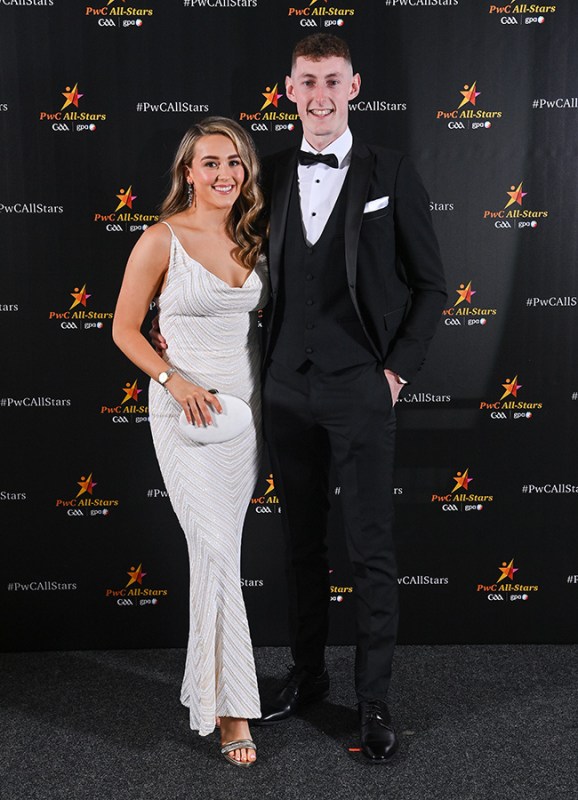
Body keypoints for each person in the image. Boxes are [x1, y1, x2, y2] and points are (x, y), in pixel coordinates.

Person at [153, 34, 446, 762]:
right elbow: (218, 265)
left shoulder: (392, 171)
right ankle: (308, 676)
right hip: (281, 389)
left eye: (332, 81)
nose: (320, 95)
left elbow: (432, 287)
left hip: (362, 387)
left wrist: (394, 374)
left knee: (370, 549)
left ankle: (374, 701)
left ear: (354, 87)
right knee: (300, 545)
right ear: (289, 90)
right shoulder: (269, 174)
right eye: (307, 82)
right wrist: (172, 334)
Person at [112, 117, 268, 767]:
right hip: (186, 414)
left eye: (234, 162)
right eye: (210, 163)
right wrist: (173, 380)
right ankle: (233, 713)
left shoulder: (256, 236)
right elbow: (124, 329)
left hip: (244, 418)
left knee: (219, 556)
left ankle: (211, 691)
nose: (224, 173)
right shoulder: (161, 238)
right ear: (188, 172)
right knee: (216, 552)